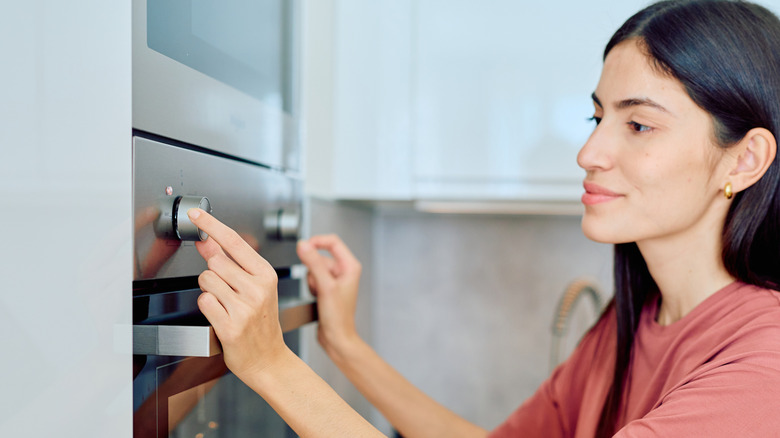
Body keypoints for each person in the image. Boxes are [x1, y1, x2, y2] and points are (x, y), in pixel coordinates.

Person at [184, 0, 780, 436]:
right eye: (596, 119)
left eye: (639, 124)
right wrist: (345, 345)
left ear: (746, 158)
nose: (589, 153)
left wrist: (269, 363)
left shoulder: (764, 371)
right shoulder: (632, 323)